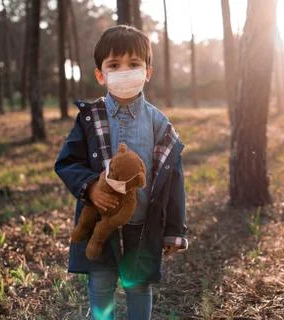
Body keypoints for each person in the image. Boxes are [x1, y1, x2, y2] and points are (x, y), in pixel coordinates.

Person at [54, 25, 188, 320]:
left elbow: (173, 178)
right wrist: (89, 187)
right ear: (101, 75)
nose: (124, 71)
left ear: (147, 72)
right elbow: (67, 162)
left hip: (142, 225)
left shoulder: (159, 123)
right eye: (114, 65)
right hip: (101, 223)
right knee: (101, 283)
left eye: (134, 64)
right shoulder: (90, 118)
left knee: (138, 286)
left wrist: (175, 230)